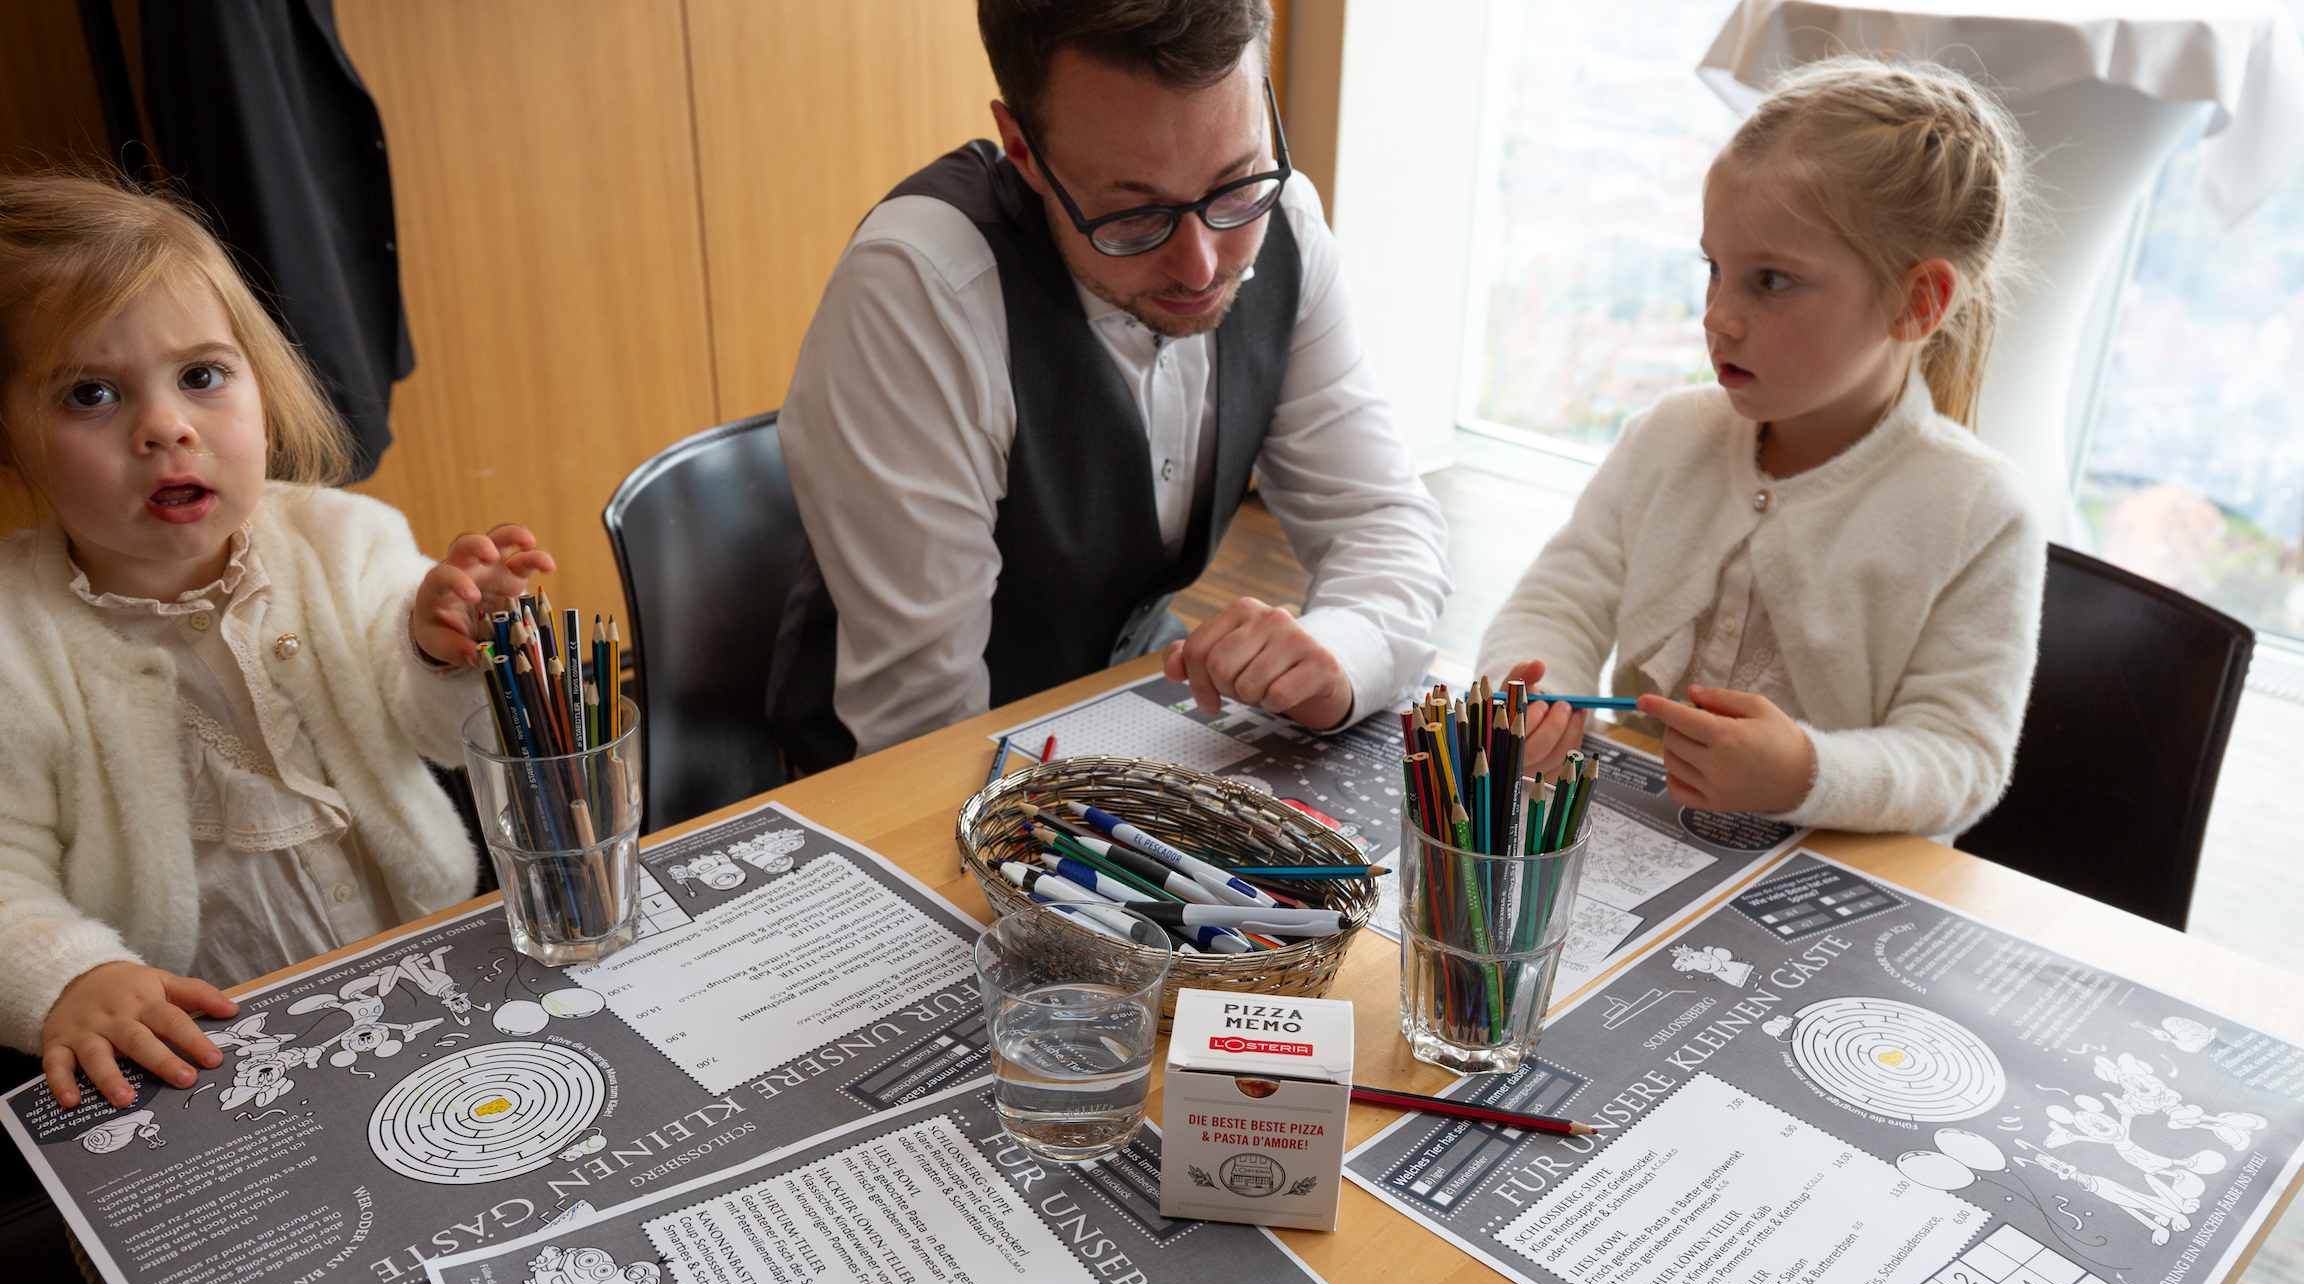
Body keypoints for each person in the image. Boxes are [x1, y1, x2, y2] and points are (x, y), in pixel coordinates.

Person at [0, 173, 554, 1113]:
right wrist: (71, 977)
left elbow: (436, 730)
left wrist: (440, 651)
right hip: (198, 1056)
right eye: (91, 393)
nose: (165, 427)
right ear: (10, 443)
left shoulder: (346, 540)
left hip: (425, 964)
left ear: (263, 383)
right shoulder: (15, 641)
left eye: (202, 376)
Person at [776, 0, 1451, 767]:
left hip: (1129, 720)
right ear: (1024, 150)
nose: (1201, 266)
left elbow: (1384, 522)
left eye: (1234, 184)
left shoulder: (1286, 221)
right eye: (1133, 215)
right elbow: (922, 729)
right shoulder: (922, 288)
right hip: (906, 780)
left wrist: (1337, 652)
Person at [1478, 56, 2044, 838]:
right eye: (1715, 269)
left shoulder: (1981, 513)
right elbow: (1557, 603)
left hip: (1832, 875)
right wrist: (1532, 695)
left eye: (1771, 281)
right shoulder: (1667, 436)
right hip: (1635, 842)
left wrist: (1805, 773)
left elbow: (1960, 758)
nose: (1717, 316)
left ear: (1918, 302)